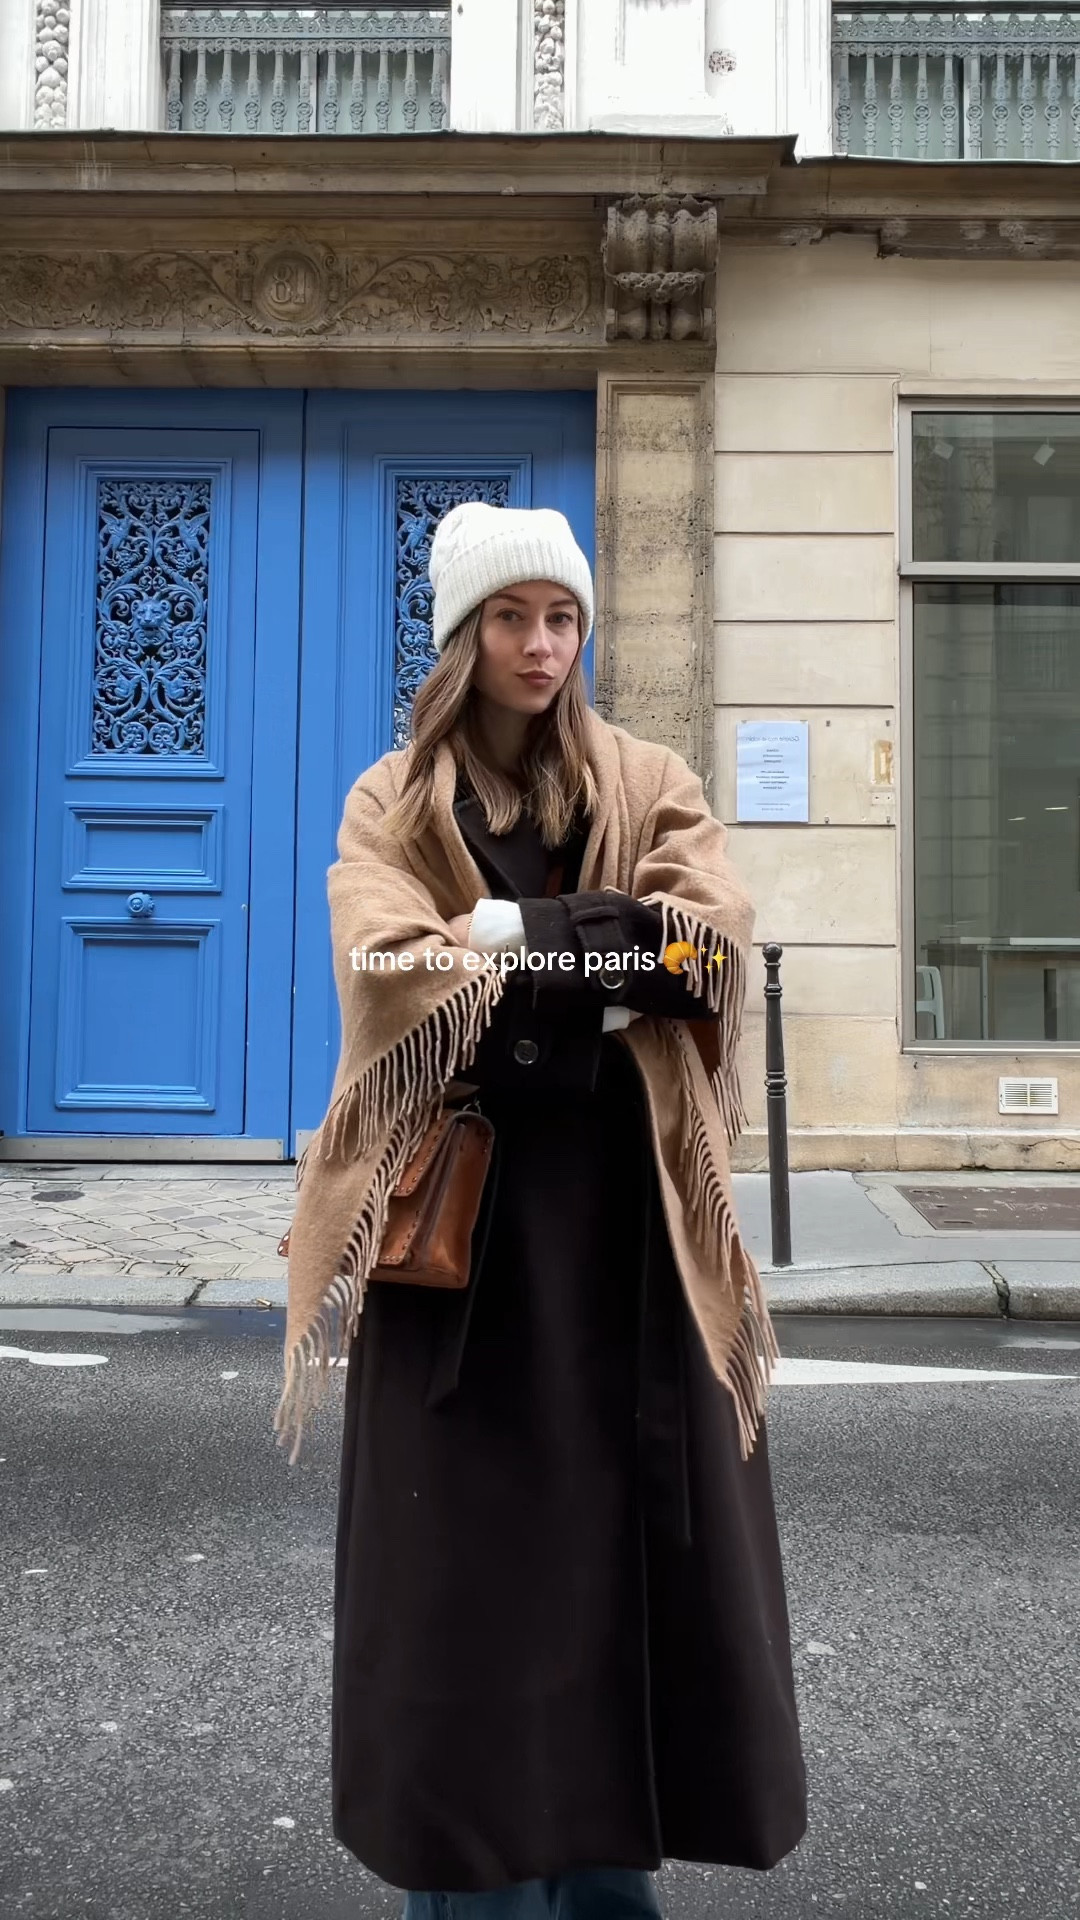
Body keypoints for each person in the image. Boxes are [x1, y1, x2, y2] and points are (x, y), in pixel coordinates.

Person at [275, 501, 808, 1919]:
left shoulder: (644, 775)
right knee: (475, 1616)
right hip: (467, 1265)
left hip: (637, 1250)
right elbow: (395, 974)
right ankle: (474, 1889)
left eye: (561, 619)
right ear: (464, 634)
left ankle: (602, 1887)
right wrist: (602, 972)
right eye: (512, 618)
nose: (541, 644)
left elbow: (710, 944)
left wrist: (512, 942)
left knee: (624, 1597)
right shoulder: (392, 800)